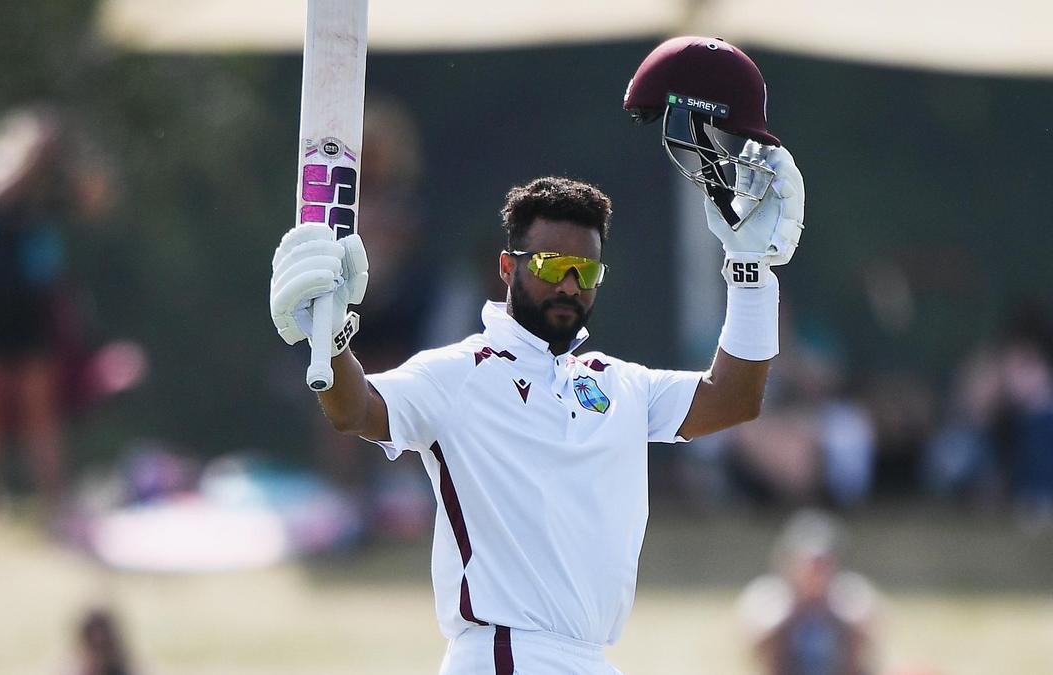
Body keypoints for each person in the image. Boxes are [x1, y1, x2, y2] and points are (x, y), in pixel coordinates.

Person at [269, 36, 805, 673]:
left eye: (586, 271)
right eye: (551, 266)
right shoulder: (459, 375)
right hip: (504, 653)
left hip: (591, 657)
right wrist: (329, 341)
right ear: (508, 268)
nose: (569, 285)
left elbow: (735, 398)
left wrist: (750, 272)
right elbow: (353, 409)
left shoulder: (619, 384)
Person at [0, 105, 112, 508]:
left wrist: (74, 158)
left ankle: (53, 499)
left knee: (40, 408)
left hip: (34, 309)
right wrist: (31, 156)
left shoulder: (50, 188)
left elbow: (97, 201)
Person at [736, 510, 879, 675]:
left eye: (823, 565)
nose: (815, 573)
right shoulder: (769, 595)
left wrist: (836, 615)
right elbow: (751, 646)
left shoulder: (849, 593)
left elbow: (872, 639)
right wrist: (792, 613)